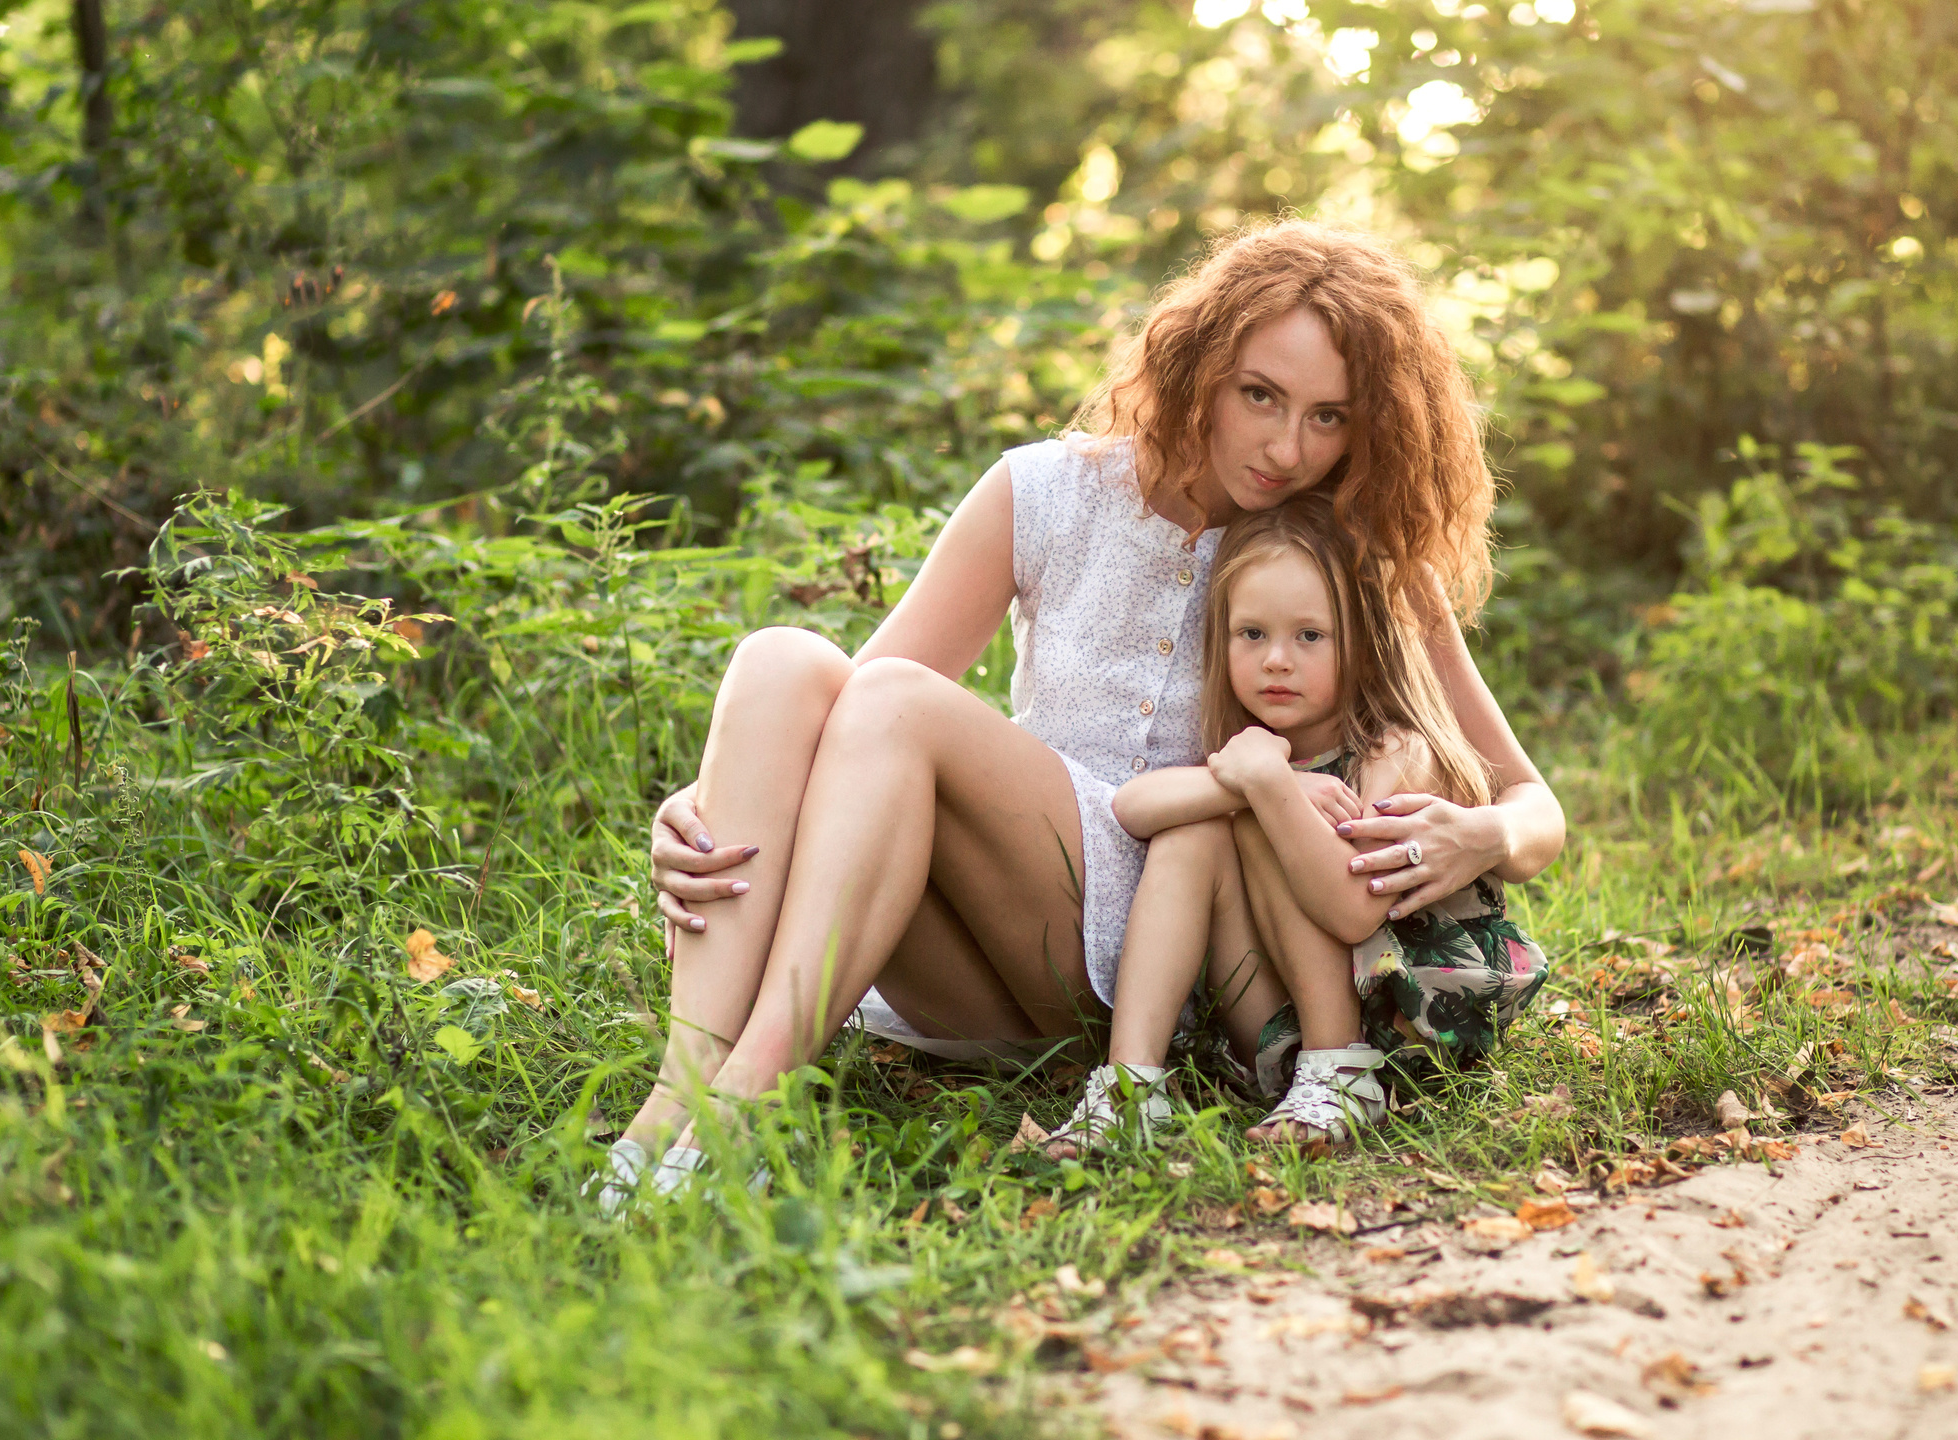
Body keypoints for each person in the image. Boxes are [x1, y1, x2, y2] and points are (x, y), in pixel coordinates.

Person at [596, 220, 1566, 1207]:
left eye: (1328, 417)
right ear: (1200, 367)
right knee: (782, 662)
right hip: (975, 950)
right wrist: (707, 803)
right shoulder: (1049, 491)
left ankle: (742, 1106)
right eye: (1259, 395)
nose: (1286, 447)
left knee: (889, 700)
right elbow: (838, 717)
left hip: (1164, 970)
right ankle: (678, 1099)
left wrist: (1481, 835)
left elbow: (1533, 804)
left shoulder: (1351, 559)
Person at [1042, 493, 1548, 1157]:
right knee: (1194, 828)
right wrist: (1255, 777)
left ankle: (1341, 1074)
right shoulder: (1255, 756)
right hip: (1284, 1030)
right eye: (1252, 634)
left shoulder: (1396, 752)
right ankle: (1130, 1088)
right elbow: (1132, 808)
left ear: (1363, 645)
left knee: (1258, 820)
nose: (1276, 659)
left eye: (1309, 636)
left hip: (1406, 1023)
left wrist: (1270, 787)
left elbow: (1352, 912)